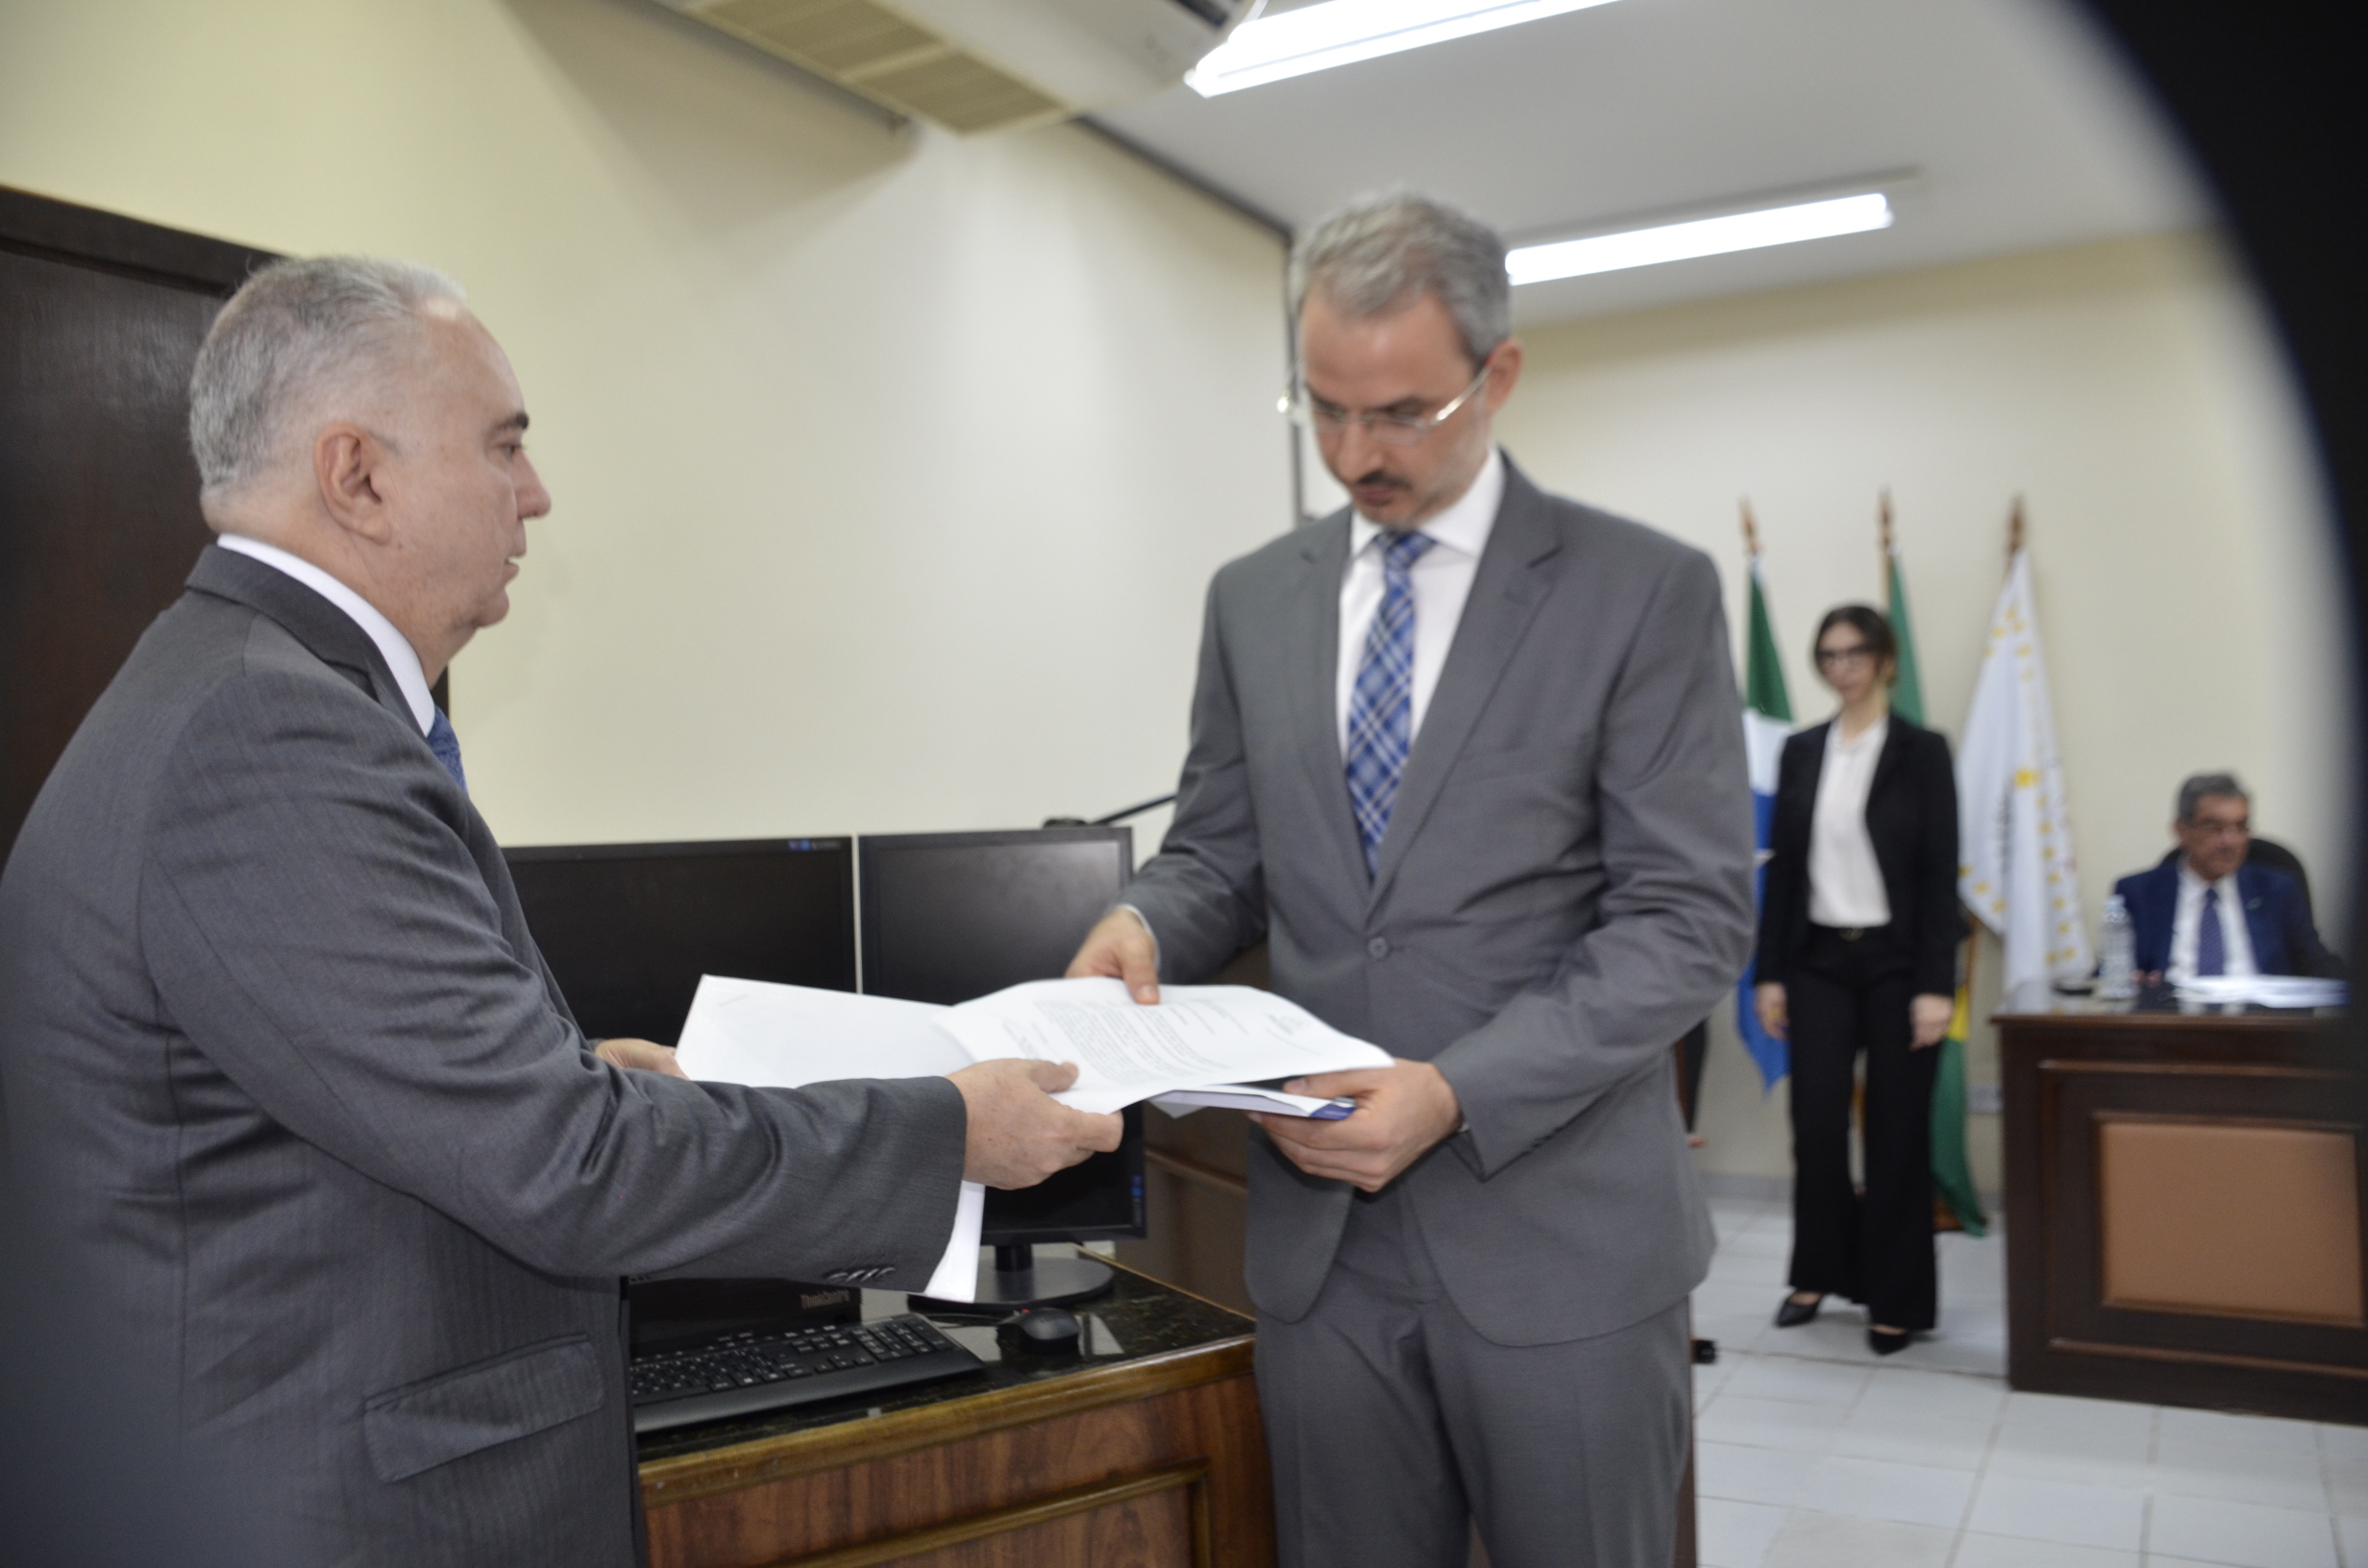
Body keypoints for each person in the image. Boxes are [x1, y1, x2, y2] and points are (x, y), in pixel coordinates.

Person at [0, 257, 1120, 1567]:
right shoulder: (270, 734)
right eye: (505, 446)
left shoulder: (249, 693)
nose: (538, 493)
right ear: (357, 476)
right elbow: (562, 1167)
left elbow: (338, 1105)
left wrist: (561, 1073)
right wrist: (949, 1135)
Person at [1066, 195, 1754, 1568]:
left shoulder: (1640, 593)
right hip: (1323, 1253)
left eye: (1400, 414)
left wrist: (1455, 1091)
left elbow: (1687, 921)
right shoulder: (1254, 597)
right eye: (1321, 410)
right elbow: (1223, 848)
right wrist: (1142, 919)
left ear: (1497, 376)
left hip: (1559, 1238)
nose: (1353, 454)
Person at [1752, 605, 1960, 1356]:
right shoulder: (1802, 751)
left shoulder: (1923, 751)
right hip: (1817, 963)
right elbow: (1782, 874)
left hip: (1900, 967)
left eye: (1855, 653)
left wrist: (1939, 985)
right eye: (1829, 655)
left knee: (1897, 1136)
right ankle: (1816, 1273)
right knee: (1815, 1126)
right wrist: (1768, 974)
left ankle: (1895, 1298)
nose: (1842, 667)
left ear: (1885, 660)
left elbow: (1940, 873)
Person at [2114, 772, 2341, 983]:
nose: (2229, 842)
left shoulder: (2277, 889)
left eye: (2240, 827)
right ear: (2181, 830)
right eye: (2214, 828)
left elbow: (2318, 963)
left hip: (2260, 1020)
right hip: (2173, 1020)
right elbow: (2110, 973)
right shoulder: (2138, 893)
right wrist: (2131, 981)